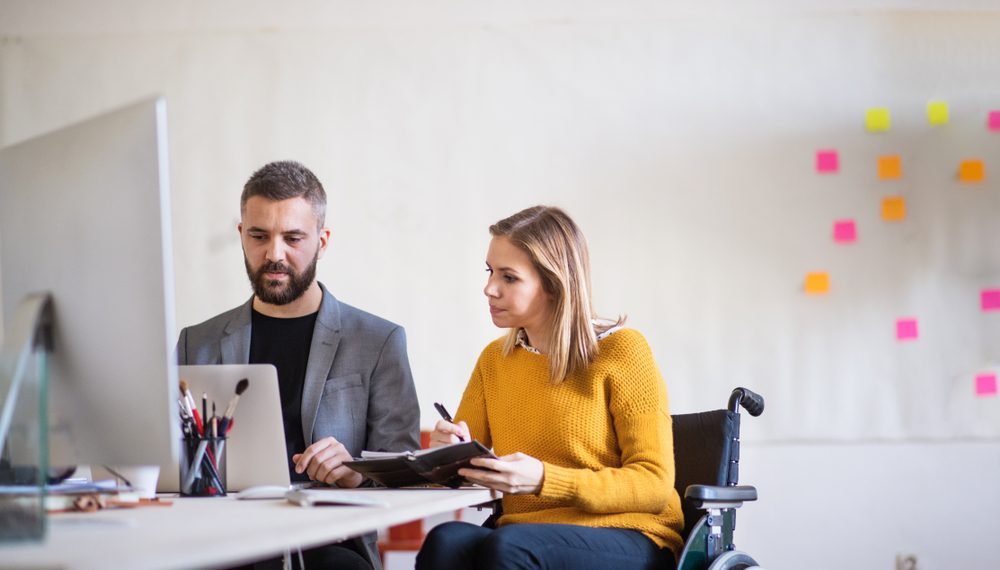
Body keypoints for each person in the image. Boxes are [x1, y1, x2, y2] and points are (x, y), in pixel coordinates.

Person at [176, 160, 420, 570]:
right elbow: (173, 456)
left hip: (330, 543)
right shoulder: (195, 342)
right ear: (241, 236)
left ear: (322, 241)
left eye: (292, 238)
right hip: (223, 538)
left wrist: (355, 472)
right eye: (259, 236)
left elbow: (406, 465)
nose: (274, 254)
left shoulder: (379, 341)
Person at [416, 206, 683, 570]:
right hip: (525, 530)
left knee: (509, 547)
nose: (489, 288)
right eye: (490, 271)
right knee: (444, 542)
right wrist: (446, 455)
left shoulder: (623, 351)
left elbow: (653, 485)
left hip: (631, 531)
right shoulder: (495, 360)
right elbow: (458, 473)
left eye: (509, 277)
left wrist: (545, 479)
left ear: (554, 285)